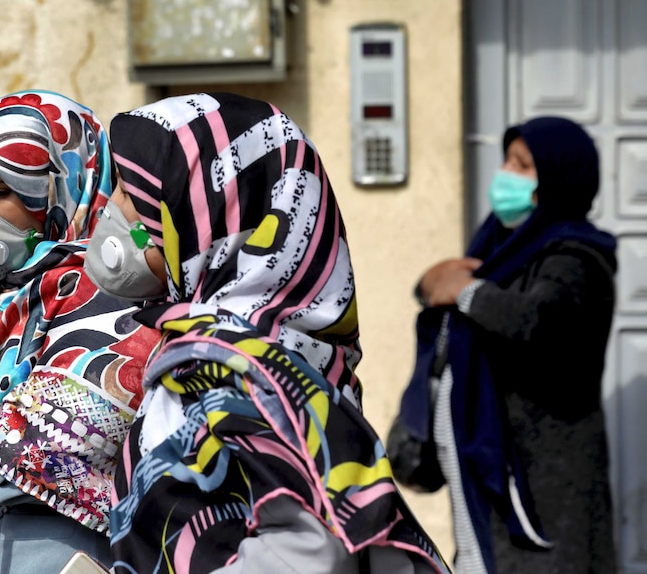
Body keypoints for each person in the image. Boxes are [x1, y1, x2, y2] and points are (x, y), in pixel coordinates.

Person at [83, 92, 451, 573]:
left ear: (207, 216)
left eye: (132, 195)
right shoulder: (240, 348)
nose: (113, 211)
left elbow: (310, 551)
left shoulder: (234, 366)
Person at [0, 90, 161, 573]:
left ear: (66, 185)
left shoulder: (107, 296)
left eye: (1, 192)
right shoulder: (19, 302)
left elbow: (43, 456)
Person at [409, 116, 618, 573]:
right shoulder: (502, 250)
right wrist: (430, 286)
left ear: (559, 179)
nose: (505, 174)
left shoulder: (577, 261)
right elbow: (449, 305)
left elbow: (535, 323)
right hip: (489, 476)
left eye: (522, 166)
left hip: (545, 484)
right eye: (507, 159)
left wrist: (463, 291)